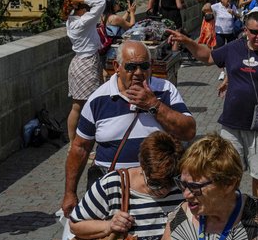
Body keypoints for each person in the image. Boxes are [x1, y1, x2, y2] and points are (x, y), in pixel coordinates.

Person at [168, 11, 258, 199]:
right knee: (228, 172)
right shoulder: (234, 48)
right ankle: (230, 205)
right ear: (246, 30)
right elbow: (207, 57)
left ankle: (256, 206)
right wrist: (187, 41)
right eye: (254, 32)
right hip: (232, 124)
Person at [62, 41, 196, 218]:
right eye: (131, 67)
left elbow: (188, 131)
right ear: (117, 67)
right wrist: (70, 193)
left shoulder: (165, 90)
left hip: (159, 192)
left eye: (144, 66)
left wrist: (154, 105)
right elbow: (80, 148)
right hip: (113, 195)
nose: (139, 72)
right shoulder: (98, 99)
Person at [65, 0, 108, 141]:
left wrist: (78, 0)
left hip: (80, 62)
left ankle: (73, 142)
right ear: (82, 10)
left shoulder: (71, 21)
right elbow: (101, 2)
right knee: (85, 106)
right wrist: (81, 0)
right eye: (87, 9)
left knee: (77, 106)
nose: (89, 11)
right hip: (87, 64)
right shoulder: (84, 21)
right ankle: (81, 142)